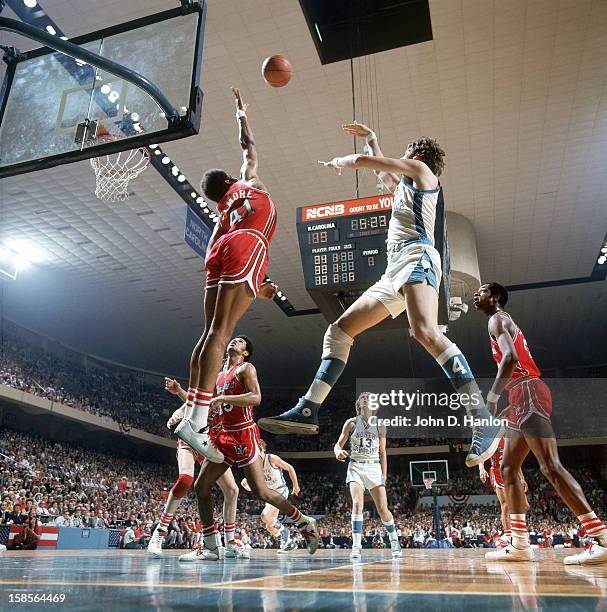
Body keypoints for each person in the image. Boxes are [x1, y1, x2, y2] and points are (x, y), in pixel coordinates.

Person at [259, 121, 500, 467]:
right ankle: (308, 408)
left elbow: (376, 165)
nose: (400, 160)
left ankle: (482, 419)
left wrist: (345, 160)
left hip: (418, 256)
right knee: (339, 331)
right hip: (395, 270)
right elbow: (386, 173)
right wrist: (373, 140)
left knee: (425, 332)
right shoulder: (405, 187)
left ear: (416, 155)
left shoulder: (422, 171)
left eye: (405, 155)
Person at [175, 87, 278, 461]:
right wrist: (241, 114)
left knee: (208, 332)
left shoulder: (222, 212)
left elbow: (215, 249)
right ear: (230, 182)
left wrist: (252, 287)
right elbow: (248, 148)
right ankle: (199, 422)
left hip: (219, 249)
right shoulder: (249, 184)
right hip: (247, 244)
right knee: (223, 333)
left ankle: (192, 413)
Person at [474, 282, 607, 564]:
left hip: (527, 390)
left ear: (495, 297)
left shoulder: (497, 319)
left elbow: (509, 359)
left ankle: (602, 537)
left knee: (551, 466)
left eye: (482, 291)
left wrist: (493, 396)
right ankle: (520, 544)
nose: (477, 295)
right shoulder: (501, 322)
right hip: (522, 395)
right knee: (509, 467)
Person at [179, 335, 319, 562]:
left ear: (245, 353)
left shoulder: (246, 368)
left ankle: (303, 522)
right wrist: (184, 396)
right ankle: (211, 547)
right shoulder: (219, 375)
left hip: (244, 434)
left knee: (261, 491)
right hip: (223, 435)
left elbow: (256, 397)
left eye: (241, 342)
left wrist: (224, 398)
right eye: (233, 339)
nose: (235, 341)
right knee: (201, 486)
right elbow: (207, 402)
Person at [147, 376, 241, 559]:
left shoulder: (231, 394)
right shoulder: (210, 386)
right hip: (190, 441)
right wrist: (179, 406)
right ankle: (159, 533)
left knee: (232, 490)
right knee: (185, 480)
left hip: (208, 445)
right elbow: (193, 402)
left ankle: (230, 543)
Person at [334, 392, 401, 559]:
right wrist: (337, 452)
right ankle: (356, 545)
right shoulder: (350, 423)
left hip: (373, 467)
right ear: (359, 404)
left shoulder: (381, 425)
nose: (366, 400)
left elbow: (383, 452)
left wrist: (383, 475)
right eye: (363, 398)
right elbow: (338, 444)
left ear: (375, 406)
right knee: (357, 504)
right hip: (355, 466)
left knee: (383, 510)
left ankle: (394, 540)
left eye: (370, 398)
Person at [241, 439, 300, 553]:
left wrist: (296, 486)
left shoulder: (272, 458)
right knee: (269, 526)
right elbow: (256, 487)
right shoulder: (255, 467)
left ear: (261, 449)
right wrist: (247, 486)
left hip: (280, 491)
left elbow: (290, 468)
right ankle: (288, 542)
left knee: (265, 516)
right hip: (270, 494)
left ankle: (285, 534)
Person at [478, 437, 529, 552]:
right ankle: (508, 536)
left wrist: (522, 478)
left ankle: (518, 532)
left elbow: (515, 460)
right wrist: (481, 469)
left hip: (511, 471)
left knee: (525, 506)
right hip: (497, 472)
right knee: (505, 505)